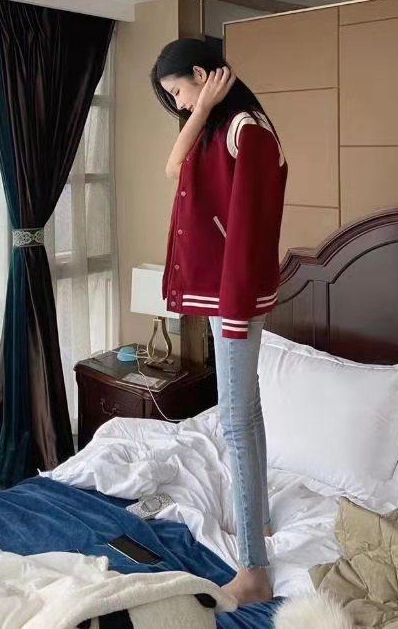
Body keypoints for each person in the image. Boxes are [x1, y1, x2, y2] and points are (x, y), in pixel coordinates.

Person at [150, 38, 288, 607]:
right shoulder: (213, 125)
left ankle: (254, 572)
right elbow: (172, 166)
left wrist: (233, 316)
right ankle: (260, 520)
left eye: (179, 92)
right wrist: (203, 106)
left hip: (234, 299)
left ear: (202, 73)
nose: (179, 104)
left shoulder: (246, 131)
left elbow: (250, 236)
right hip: (219, 297)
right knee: (243, 413)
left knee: (234, 419)